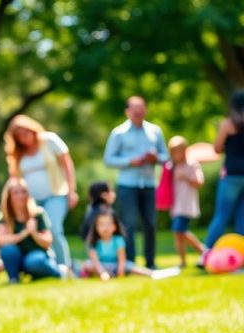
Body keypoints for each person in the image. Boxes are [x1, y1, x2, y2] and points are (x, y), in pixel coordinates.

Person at [103, 96, 170, 269]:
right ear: (127, 111)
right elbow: (109, 159)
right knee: (129, 225)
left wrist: (156, 158)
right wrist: (130, 161)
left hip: (148, 184)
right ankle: (130, 263)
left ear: (145, 110)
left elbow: (166, 157)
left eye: (141, 108)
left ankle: (150, 262)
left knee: (150, 224)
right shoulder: (119, 133)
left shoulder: (155, 131)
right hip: (127, 185)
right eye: (134, 108)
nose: (138, 111)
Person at [5, 115, 79, 268]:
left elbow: (67, 164)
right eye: (19, 136)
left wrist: (72, 191)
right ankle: (44, 266)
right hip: (30, 201)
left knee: (54, 229)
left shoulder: (49, 140)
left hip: (56, 194)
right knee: (32, 233)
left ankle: (63, 267)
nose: (24, 138)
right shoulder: (18, 153)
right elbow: (14, 178)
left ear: (32, 129)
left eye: (26, 132)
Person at [0, 178, 62, 283]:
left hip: (35, 255)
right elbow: (1, 240)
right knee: (8, 250)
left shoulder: (38, 213)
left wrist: (34, 233)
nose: (21, 196)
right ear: (9, 196)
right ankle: (13, 279)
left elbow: (48, 242)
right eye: (16, 193)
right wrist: (24, 233)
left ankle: (58, 271)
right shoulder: (3, 217)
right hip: (17, 258)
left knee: (33, 262)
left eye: (23, 192)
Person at [203, 90, 244, 253]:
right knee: (242, 219)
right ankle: (240, 256)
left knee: (221, 216)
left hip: (232, 174)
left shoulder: (228, 124)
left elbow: (217, 148)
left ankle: (206, 252)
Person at [166, 136, 206, 268]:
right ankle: (183, 262)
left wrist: (185, 177)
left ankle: (203, 251)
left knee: (179, 231)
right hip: (175, 205)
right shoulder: (171, 166)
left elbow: (199, 182)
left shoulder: (192, 164)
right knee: (178, 234)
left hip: (187, 204)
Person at [83, 209, 153, 279]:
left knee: (130, 265)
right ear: (96, 227)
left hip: (116, 265)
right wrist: (102, 273)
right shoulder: (93, 241)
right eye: (101, 224)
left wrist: (120, 273)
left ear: (115, 226)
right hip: (100, 266)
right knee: (88, 264)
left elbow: (122, 259)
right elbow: (96, 262)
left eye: (108, 224)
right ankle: (103, 274)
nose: (105, 227)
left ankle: (151, 273)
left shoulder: (118, 240)